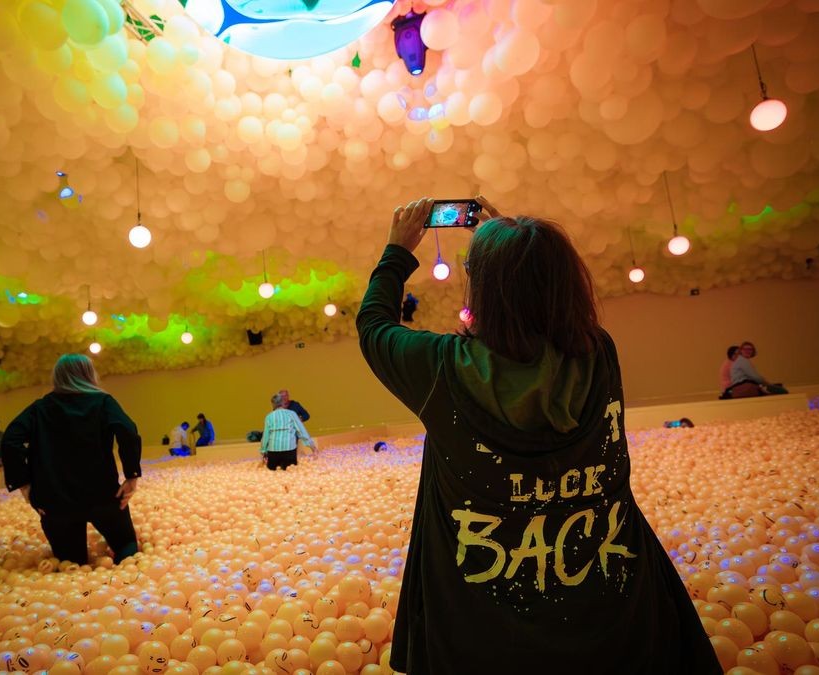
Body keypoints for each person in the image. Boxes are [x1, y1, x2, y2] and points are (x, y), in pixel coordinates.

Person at [357, 197, 720, 674]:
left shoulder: (440, 369)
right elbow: (548, 314)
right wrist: (510, 243)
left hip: (485, 624)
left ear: (483, 292)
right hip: (608, 604)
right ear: (567, 284)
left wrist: (398, 251)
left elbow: (373, 325)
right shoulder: (599, 354)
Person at [2, 354, 142, 565]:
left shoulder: (40, 408)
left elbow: (10, 441)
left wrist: (24, 485)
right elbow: (128, 432)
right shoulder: (102, 402)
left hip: (56, 501)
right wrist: (131, 475)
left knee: (72, 564)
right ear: (89, 374)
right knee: (127, 549)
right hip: (102, 494)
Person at [260, 393, 316, 471]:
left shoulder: (269, 417)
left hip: (273, 452)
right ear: (283, 402)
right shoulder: (291, 414)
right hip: (289, 451)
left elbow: (266, 436)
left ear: (273, 404)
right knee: (290, 470)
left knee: (273, 472)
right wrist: (313, 448)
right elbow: (301, 432)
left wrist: (263, 452)